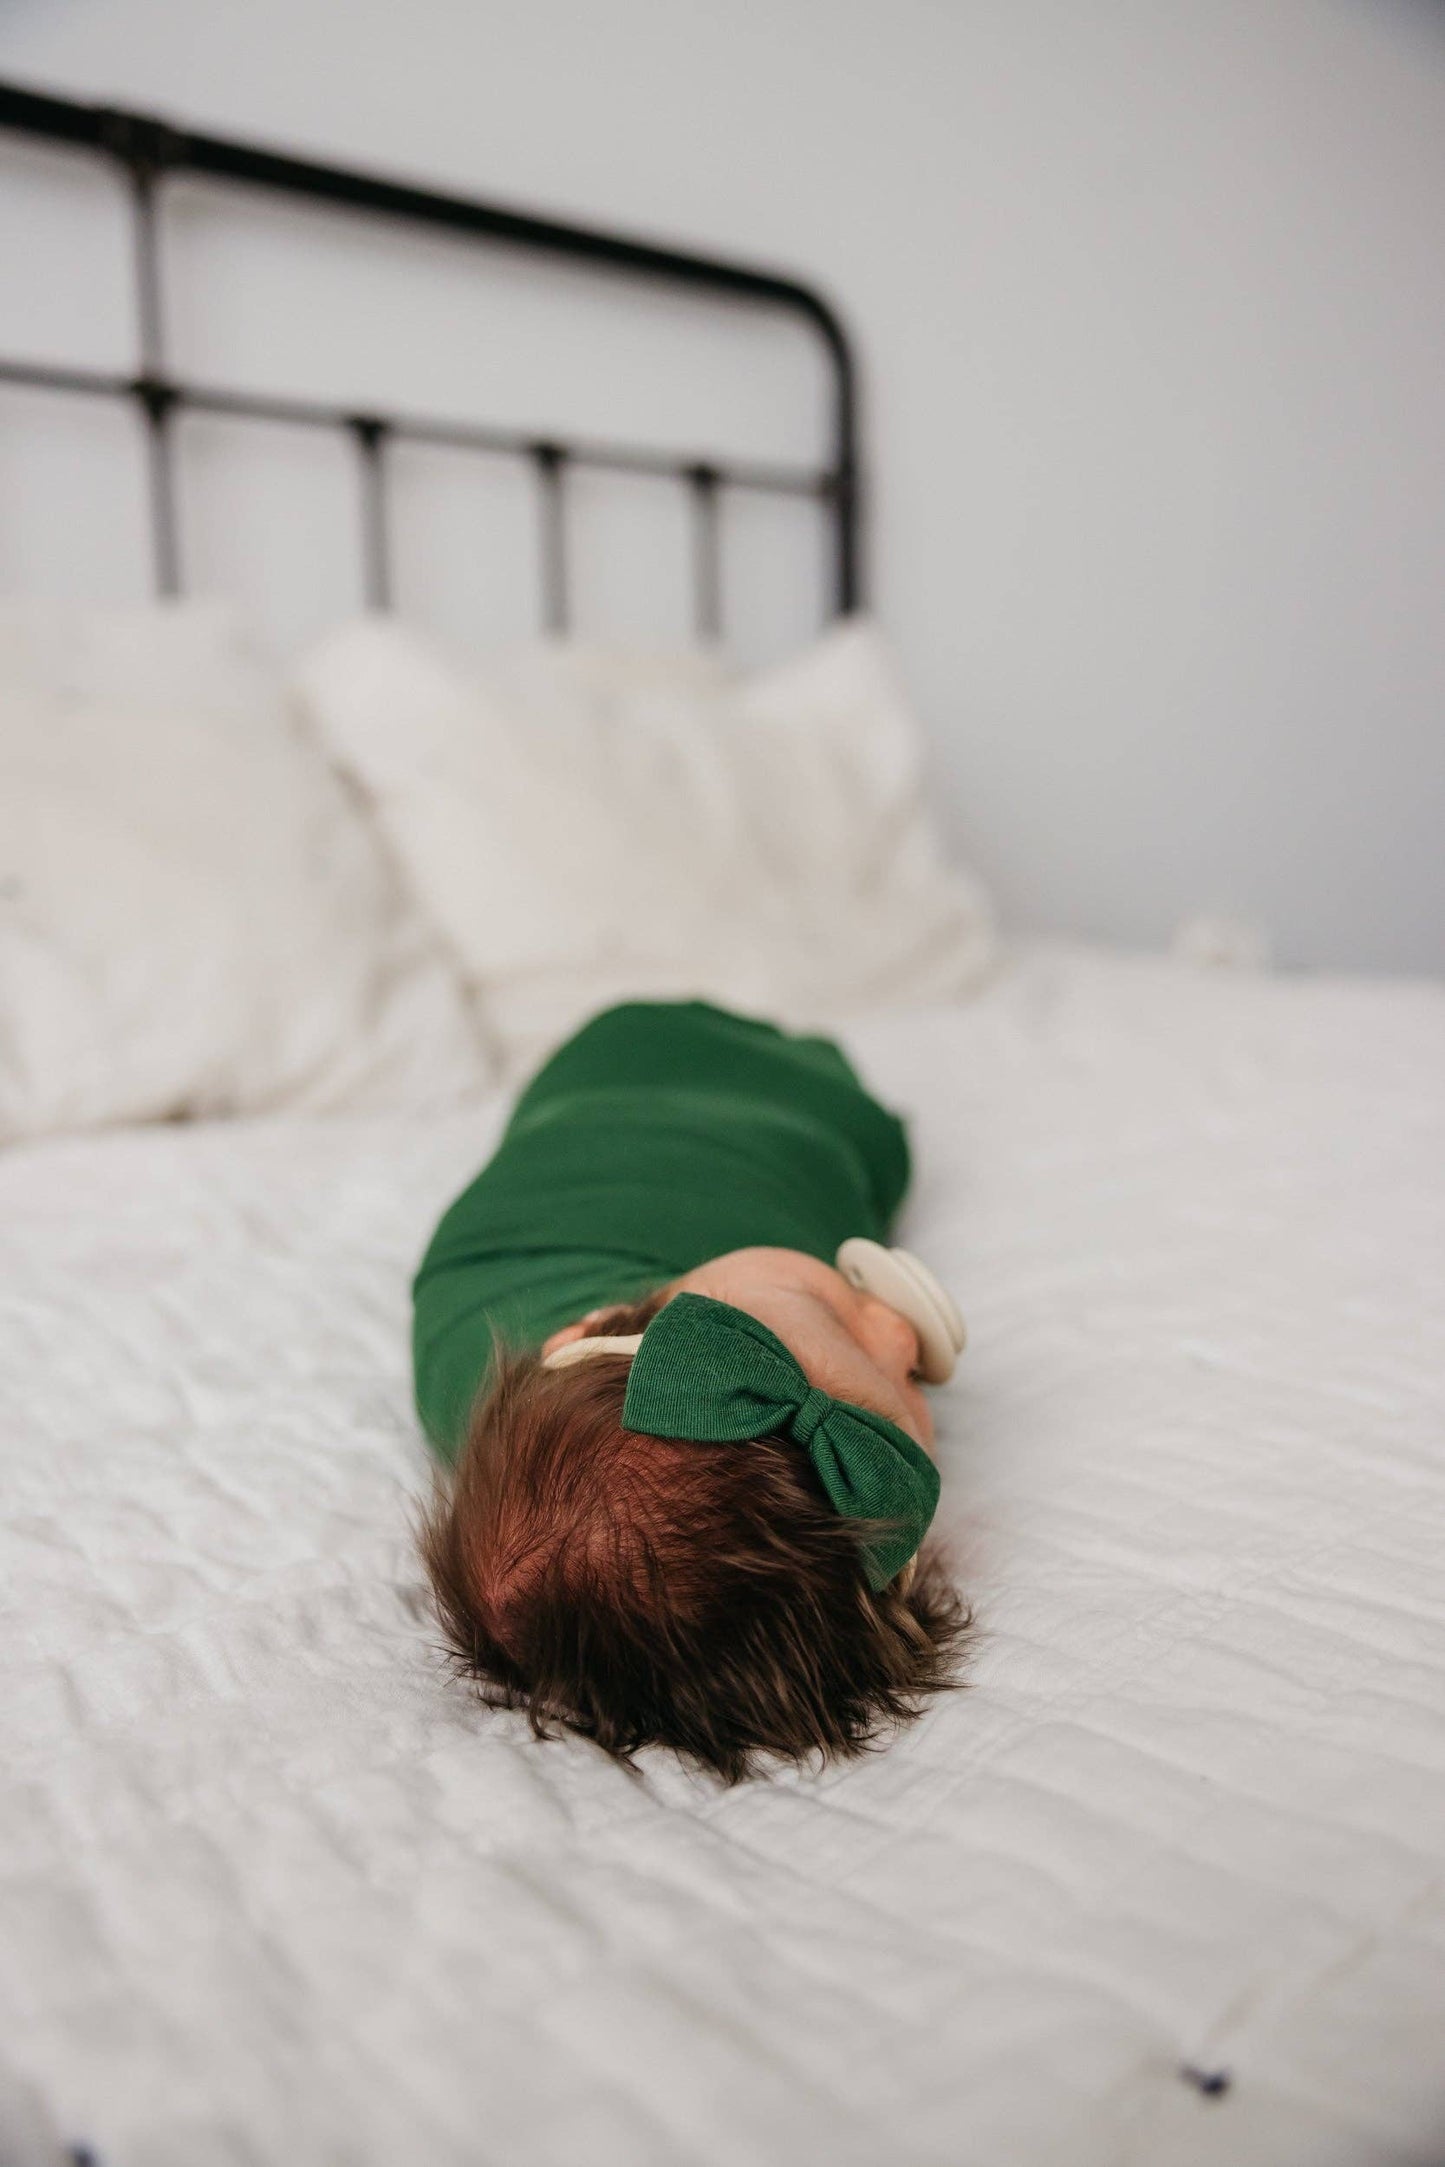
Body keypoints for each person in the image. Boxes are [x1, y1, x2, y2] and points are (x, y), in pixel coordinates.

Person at [414, 999, 969, 1782]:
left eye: (833, 1309)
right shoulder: (594, 1436)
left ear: (587, 1329)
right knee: (859, 1143)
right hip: (809, 1114)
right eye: (907, 1396)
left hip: (617, 1075)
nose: (902, 1333)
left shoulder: (485, 1340)